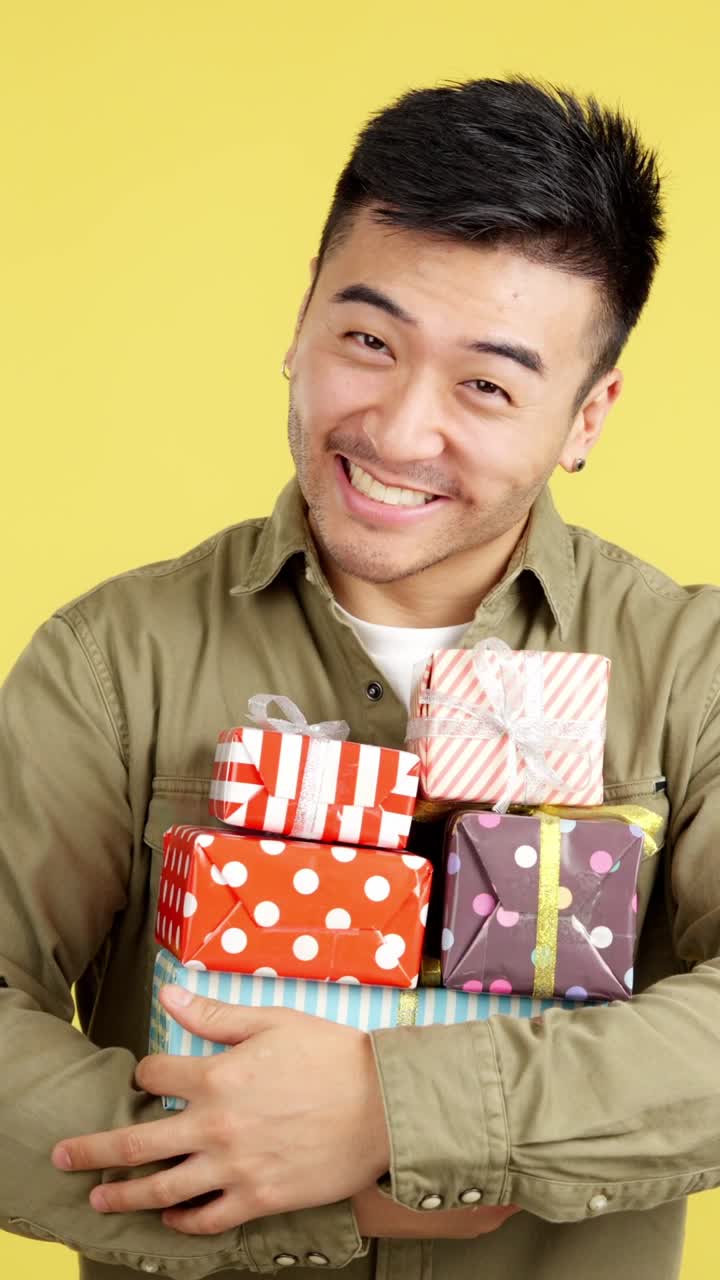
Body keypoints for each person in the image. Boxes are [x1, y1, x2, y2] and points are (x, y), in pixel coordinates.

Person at [1, 73, 718, 1280]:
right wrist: (233, 1169)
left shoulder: (690, 669)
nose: (395, 429)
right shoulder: (111, 661)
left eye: (487, 384)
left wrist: (397, 1112)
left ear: (588, 417)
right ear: (300, 322)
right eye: (368, 341)